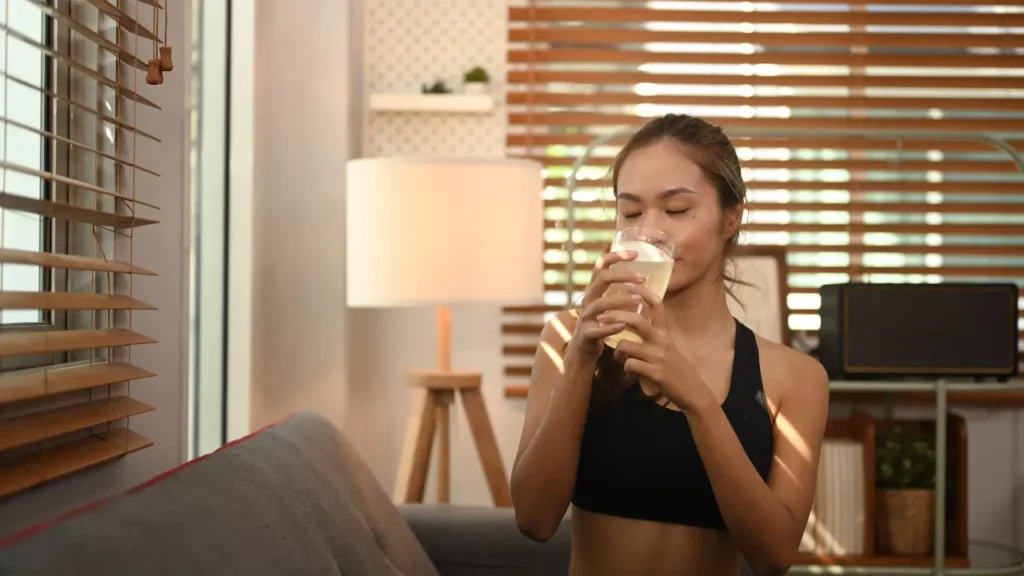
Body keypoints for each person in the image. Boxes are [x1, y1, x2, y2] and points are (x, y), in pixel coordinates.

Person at [510, 114, 830, 576]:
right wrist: (581, 361)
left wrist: (699, 402)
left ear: (731, 216)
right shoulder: (567, 337)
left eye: (677, 211)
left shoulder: (794, 376)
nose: (651, 232)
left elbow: (774, 556)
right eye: (632, 213)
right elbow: (534, 520)